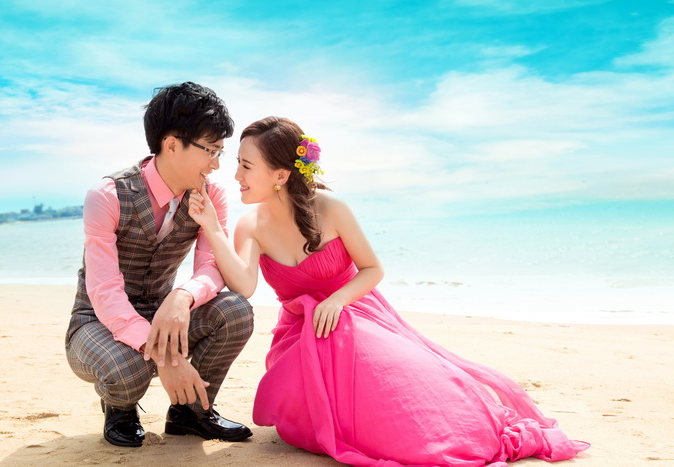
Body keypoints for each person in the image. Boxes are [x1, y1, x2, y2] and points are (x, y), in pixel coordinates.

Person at [187, 116, 590, 466]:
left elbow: (373, 269)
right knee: (317, 424)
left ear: (280, 175)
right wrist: (213, 229)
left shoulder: (332, 209)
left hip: (356, 314)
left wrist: (337, 299)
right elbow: (245, 285)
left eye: (246, 166)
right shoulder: (250, 225)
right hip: (300, 336)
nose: (236, 176)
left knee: (404, 401)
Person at [65, 82, 254, 448]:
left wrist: (183, 296)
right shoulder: (107, 196)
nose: (216, 164)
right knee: (127, 369)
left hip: (164, 311)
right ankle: (120, 409)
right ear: (171, 145)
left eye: (220, 152)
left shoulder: (210, 194)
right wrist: (167, 358)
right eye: (210, 150)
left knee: (235, 310)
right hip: (97, 320)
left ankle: (192, 412)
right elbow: (104, 291)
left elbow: (211, 266)